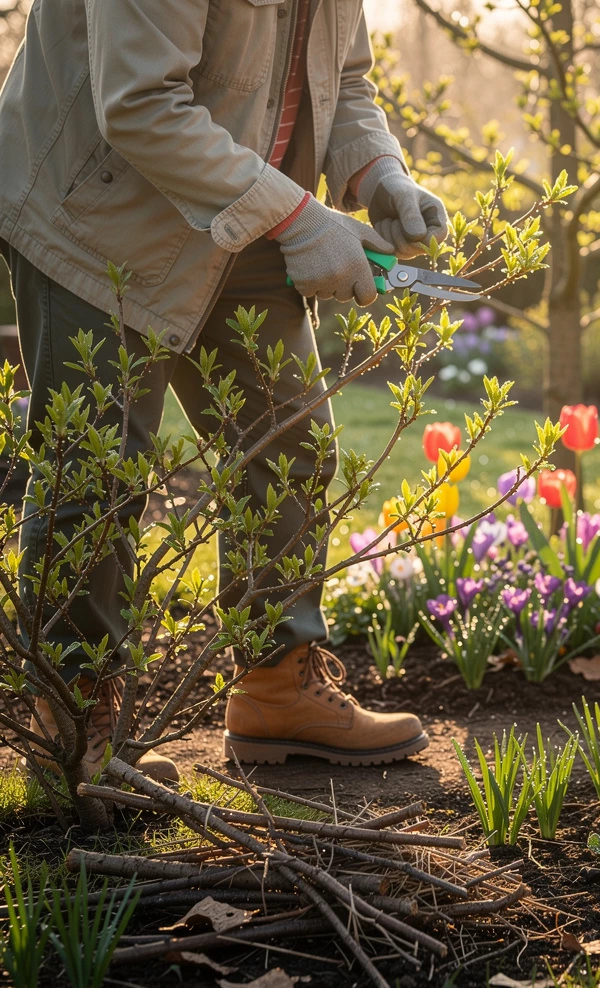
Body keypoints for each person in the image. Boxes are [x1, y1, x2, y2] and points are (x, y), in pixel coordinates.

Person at [0, 0, 447, 782]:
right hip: (96, 208)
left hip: (245, 207)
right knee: (97, 468)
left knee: (289, 439)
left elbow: (343, 78)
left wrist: (379, 172)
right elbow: (138, 105)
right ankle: (71, 723)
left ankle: (278, 686)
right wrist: (305, 220)